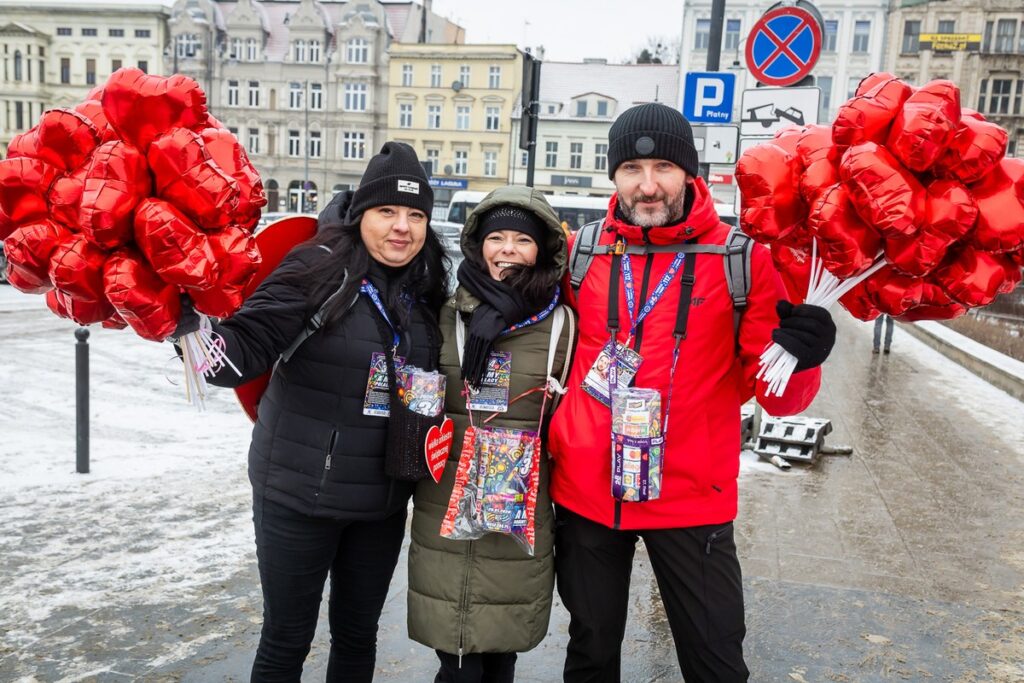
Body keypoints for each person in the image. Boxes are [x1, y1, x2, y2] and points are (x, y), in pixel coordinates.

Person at [548, 103, 837, 682]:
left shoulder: (742, 261)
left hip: (691, 499)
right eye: (631, 168)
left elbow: (780, 398)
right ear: (614, 176)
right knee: (589, 655)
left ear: (690, 173)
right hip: (587, 494)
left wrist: (803, 356)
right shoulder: (580, 254)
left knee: (715, 661)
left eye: (663, 168)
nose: (647, 185)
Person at [174, 142, 449, 682]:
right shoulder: (316, 266)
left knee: (355, 637)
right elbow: (243, 349)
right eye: (387, 211)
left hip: (380, 503)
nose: (402, 228)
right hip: (297, 495)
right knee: (286, 638)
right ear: (360, 213)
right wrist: (186, 325)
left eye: (416, 215)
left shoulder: (427, 287)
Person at [406, 186, 576, 683]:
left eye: (521, 240)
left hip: (518, 517)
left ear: (543, 249)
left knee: (502, 659)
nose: (506, 249)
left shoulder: (563, 325)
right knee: (456, 668)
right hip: (446, 510)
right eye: (495, 237)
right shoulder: (445, 315)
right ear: (477, 245)